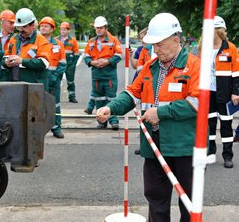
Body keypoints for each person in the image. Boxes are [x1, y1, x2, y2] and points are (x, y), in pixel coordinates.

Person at [97, 13, 200, 222]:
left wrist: (159, 113)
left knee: (188, 202)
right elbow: (132, 94)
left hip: (184, 147)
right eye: (153, 45)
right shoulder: (149, 67)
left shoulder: (194, 66)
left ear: (175, 39)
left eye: (159, 44)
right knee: (156, 199)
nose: (155, 50)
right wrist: (110, 108)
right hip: (154, 146)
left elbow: (197, 103)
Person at [206, 16, 239, 168]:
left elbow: (236, 73)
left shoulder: (230, 48)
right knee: (210, 124)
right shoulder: (203, 47)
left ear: (218, 31)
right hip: (208, 93)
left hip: (225, 93)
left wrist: (236, 92)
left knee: (226, 124)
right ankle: (210, 153)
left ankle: (227, 156)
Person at [84, 16, 122, 129]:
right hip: (96, 75)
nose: (98, 30)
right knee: (99, 99)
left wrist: (108, 61)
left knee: (111, 99)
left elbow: (119, 55)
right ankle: (102, 121)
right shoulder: (91, 42)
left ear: (106, 28)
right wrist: (92, 63)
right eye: (97, 28)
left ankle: (113, 120)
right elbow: (86, 56)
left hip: (109, 75)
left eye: (100, 28)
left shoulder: (113, 40)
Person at [3, 8, 51, 91]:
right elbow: (5, 56)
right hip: (14, 84)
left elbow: (44, 63)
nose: (21, 30)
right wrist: (6, 62)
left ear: (32, 25)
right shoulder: (13, 39)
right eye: (18, 27)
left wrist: (22, 61)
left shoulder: (41, 41)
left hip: (33, 87)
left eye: (24, 27)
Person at [40, 17, 67, 138]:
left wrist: (55, 77)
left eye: (46, 26)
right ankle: (40, 129)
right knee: (39, 104)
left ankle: (56, 128)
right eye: (41, 26)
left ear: (52, 29)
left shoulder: (58, 44)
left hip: (54, 80)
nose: (43, 28)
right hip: (40, 79)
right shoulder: (36, 42)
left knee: (55, 104)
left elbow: (62, 63)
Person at [56, 22, 80, 103]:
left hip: (69, 65)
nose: (63, 31)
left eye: (64, 29)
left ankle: (72, 96)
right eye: (61, 29)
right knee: (56, 81)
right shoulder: (56, 40)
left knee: (70, 81)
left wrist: (73, 64)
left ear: (68, 30)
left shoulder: (72, 40)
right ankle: (55, 96)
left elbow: (76, 54)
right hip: (58, 65)